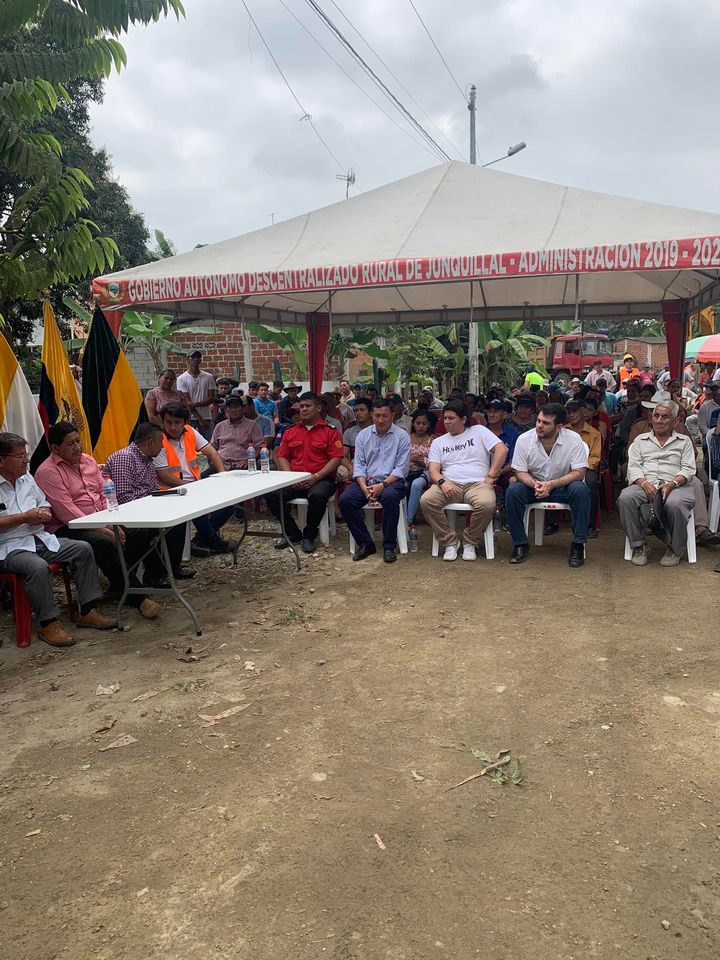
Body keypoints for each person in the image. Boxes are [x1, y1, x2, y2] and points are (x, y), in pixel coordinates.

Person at [35, 422, 161, 620]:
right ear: (55, 448)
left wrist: (111, 521)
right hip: (67, 527)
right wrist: (103, 528)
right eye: (70, 444)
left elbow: (104, 494)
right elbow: (67, 512)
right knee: (104, 542)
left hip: (101, 518)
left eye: (78, 441)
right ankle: (138, 597)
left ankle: (119, 585)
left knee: (140, 531)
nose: (77, 447)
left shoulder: (88, 460)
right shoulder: (47, 472)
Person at [0, 432, 115, 647]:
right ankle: (48, 623)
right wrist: (24, 517)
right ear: (1, 460)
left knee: (82, 548)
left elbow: (43, 502)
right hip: (9, 546)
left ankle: (88, 610)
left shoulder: (26, 478)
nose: (26, 460)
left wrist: (43, 512)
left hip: (38, 537)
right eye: (19, 456)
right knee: (37, 567)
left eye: (26, 455)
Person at [420, 399, 507, 561]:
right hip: (449, 484)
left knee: (486, 504)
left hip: (477, 484)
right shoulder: (439, 442)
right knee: (427, 501)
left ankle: (470, 542)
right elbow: (433, 470)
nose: (447, 422)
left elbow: (501, 449)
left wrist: (491, 475)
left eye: (451, 418)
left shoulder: (478, 431)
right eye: (445, 418)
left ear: (464, 419)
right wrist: (442, 483)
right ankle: (450, 542)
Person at [506, 403, 592, 567]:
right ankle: (520, 544)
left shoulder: (573, 439)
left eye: (545, 423)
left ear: (559, 427)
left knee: (580, 489)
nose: (539, 425)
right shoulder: (524, 439)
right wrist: (535, 485)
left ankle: (578, 545)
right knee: (513, 491)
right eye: (538, 421)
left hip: (562, 486)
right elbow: (519, 472)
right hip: (534, 487)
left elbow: (579, 472)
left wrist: (551, 484)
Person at [618, 402, 696, 566]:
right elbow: (633, 467)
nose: (659, 420)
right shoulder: (640, 440)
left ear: (675, 421)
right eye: (656, 416)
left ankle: (675, 549)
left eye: (665, 417)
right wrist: (643, 483)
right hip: (645, 484)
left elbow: (689, 469)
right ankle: (639, 545)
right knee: (625, 498)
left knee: (676, 503)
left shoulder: (684, 441)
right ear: (651, 418)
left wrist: (672, 484)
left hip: (676, 485)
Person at [153, 402, 235, 555]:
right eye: (168, 422)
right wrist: (192, 487)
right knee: (197, 507)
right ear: (162, 421)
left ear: (185, 422)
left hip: (193, 483)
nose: (172, 427)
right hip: (170, 490)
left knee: (231, 501)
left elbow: (213, 453)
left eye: (177, 422)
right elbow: (163, 476)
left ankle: (200, 539)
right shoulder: (158, 439)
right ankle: (212, 541)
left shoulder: (190, 432)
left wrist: (223, 475)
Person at [265, 392, 342, 553]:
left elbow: (336, 459)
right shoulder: (291, 430)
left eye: (308, 406)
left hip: (321, 478)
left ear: (318, 408)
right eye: (301, 406)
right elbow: (282, 456)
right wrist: (290, 478)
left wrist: (316, 477)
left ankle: (309, 535)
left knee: (318, 496)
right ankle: (292, 533)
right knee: (271, 493)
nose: (304, 409)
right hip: (295, 479)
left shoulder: (330, 430)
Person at [339, 398, 410, 563]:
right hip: (367, 481)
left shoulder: (402, 436)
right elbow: (359, 465)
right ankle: (366, 543)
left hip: (392, 481)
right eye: (377, 415)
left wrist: (383, 485)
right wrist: (364, 487)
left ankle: (389, 545)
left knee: (390, 497)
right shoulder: (363, 435)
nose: (380, 420)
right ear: (372, 415)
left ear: (392, 415)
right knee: (345, 500)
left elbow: (401, 468)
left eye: (385, 416)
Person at [564, 400, 601, 538]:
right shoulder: (562, 431)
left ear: (584, 412)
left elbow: (595, 457)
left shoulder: (594, 434)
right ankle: (551, 523)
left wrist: (581, 468)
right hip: (564, 467)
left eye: (574, 411)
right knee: (549, 476)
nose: (571, 415)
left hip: (585, 468)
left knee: (591, 482)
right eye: (569, 412)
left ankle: (589, 525)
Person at [210, 395, 264, 469]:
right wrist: (215, 460)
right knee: (202, 475)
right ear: (226, 410)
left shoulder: (252, 425)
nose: (233, 410)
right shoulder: (219, 426)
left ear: (242, 409)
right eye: (230, 407)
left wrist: (249, 460)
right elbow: (213, 447)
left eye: (236, 407)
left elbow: (260, 447)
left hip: (242, 464)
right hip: (221, 463)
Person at [405, 408, 437, 524]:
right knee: (403, 485)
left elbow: (437, 459)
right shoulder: (406, 438)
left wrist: (424, 462)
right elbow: (398, 457)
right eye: (418, 423)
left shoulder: (433, 439)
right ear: (413, 423)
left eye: (424, 423)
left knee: (416, 484)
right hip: (408, 470)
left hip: (426, 471)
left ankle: (408, 520)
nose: (421, 426)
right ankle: (401, 516)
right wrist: (410, 459)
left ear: (429, 424)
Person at [176, 350, 216, 439]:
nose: (195, 359)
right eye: (193, 357)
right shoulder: (181, 379)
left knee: (208, 442)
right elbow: (187, 402)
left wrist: (196, 404)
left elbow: (211, 398)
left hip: (206, 416)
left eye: (198, 357)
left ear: (201, 360)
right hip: (190, 418)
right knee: (190, 442)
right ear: (187, 359)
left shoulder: (209, 377)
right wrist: (199, 418)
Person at [484, 399, 519, 496]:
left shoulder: (512, 434)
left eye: (495, 412)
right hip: (482, 471)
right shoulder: (480, 431)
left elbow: (513, 462)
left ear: (504, 414)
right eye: (489, 411)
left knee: (514, 480)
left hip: (504, 471)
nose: (491, 414)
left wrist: (500, 472)